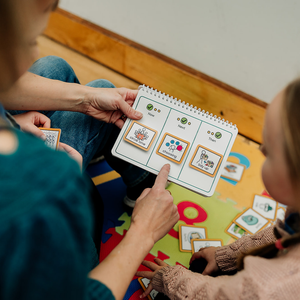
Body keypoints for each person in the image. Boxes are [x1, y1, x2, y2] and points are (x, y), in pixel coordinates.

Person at [0, 1, 179, 300]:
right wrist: (143, 231)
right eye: (27, 41)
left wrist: (13, 124)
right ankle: (142, 189)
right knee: (92, 86)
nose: (33, 53)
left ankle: (136, 179)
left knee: (56, 68)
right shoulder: (48, 183)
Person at [137, 80, 300, 299]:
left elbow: (217, 296)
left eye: (268, 151)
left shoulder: (270, 287)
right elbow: (281, 235)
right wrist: (229, 255)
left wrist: (171, 278)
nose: (260, 149)